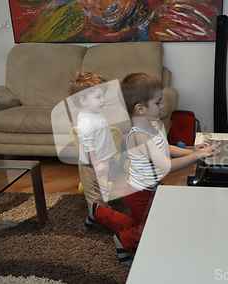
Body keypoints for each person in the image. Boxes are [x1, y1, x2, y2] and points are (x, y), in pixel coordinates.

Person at [83, 73, 220, 266]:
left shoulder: (154, 125)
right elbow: (168, 166)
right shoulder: (140, 137)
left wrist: (191, 150)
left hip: (147, 188)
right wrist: (196, 157)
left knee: (135, 224)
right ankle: (123, 241)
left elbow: (167, 148)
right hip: (141, 193)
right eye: (158, 103)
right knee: (152, 227)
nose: (162, 106)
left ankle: (98, 212)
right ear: (140, 109)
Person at [68, 72, 117, 225]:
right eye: (98, 97)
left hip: (101, 160)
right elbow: (88, 147)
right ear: (83, 100)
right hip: (91, 165)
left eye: (103, 96)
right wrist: (96, 164)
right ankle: (97, 216)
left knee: (102, 190)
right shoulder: (86, 122)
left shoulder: (95, 112)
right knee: (95, 193)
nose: (103, 101)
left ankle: (102, 210)